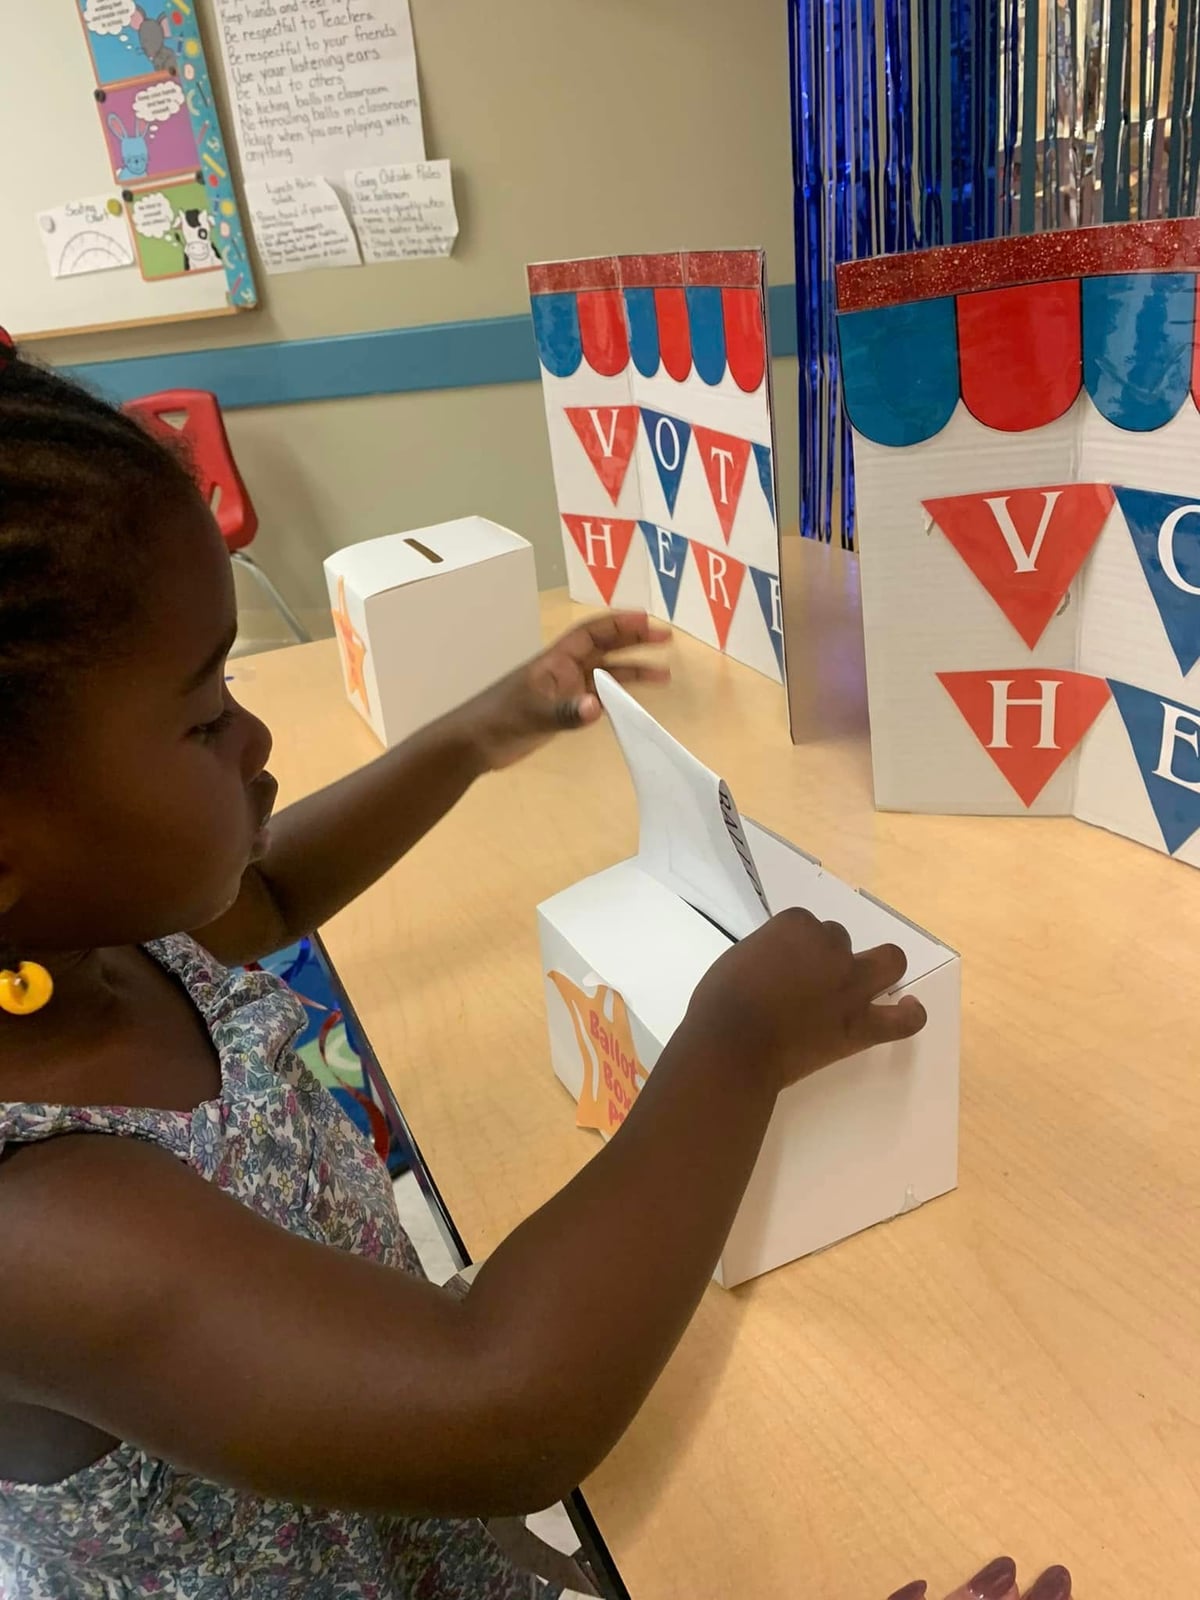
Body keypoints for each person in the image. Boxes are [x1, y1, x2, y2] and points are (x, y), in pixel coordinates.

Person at [0, 342, 927, 1599]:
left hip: (389, 1503)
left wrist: (488, 727)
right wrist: (738, 1040)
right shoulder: (39, 1228)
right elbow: (501, 1404)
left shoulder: (73, 935)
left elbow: (261, 893)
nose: (258, 733)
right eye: (206, 711)